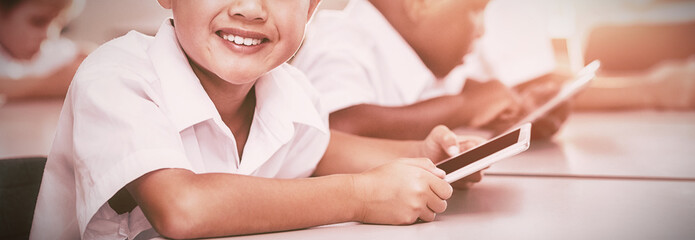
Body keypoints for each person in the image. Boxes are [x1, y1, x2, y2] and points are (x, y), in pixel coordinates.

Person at [30, 1, 485, 239]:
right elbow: (182, 209)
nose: (250, 8)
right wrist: (360, 196)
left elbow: (324, 149)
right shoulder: (116, 75)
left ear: (310, 9)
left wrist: (427, 157)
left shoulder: (287, 88)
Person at [292, 0, 569, 141]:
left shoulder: (422, 59)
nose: (482, 30)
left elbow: (455, 91)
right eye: (474, 10)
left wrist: (512, 108)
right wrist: (465, 106)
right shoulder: (339, 41)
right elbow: (337, 127)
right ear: (420, 4)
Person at [0, 0, 86, 101]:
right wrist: (52, 83)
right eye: (38, 22)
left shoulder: (46, 51)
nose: (48, 35)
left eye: (59, 24)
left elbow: (85, 54)